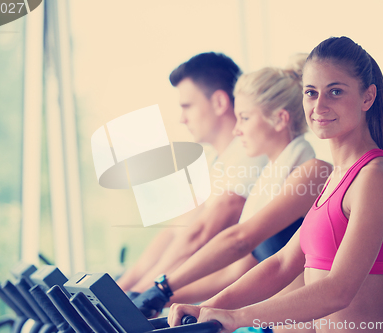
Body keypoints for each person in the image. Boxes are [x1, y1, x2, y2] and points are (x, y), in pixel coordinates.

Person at [168, 36, 383, 333]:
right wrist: (212, 307)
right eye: (311, 93)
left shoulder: (375, 176)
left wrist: (239, 318)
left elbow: (339, 289)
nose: (319, 105)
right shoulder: (336, 177)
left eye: (335, 92)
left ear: (367, 98)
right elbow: (282, 264)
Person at [132, 54, 332, 319]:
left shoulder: (311, 172)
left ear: (280, 119)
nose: (237, 130)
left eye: (245, 118)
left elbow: (240, 239)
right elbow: (237, 272)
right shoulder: (267, 181)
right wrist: (155, 298)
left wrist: (162, 287)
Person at [117, 53, 267, 296]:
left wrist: (144, 294)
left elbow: (199, 234)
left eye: (187, 106)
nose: (182, 118)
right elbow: (178, 230)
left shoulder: (251, 156)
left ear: (219, 102)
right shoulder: (215, 161)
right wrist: (123, 288)